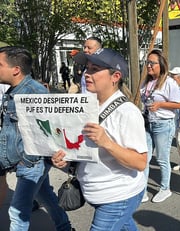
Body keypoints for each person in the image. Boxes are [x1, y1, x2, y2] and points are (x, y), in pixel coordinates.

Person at [54, 48, 148, 230]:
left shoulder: (127, 113)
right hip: (93, 191)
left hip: (118, 196)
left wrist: (106, 142)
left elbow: (140, 163)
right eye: (87, 68)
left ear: (115, 76)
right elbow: (84, 150)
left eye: (95, 69)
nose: (86, 74)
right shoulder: (86, 105)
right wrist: (64, 162)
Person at [0, 46, 73, 230]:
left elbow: (49, 131)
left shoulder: (35, 92)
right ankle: (64, 227)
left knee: (17, 212)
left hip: (31, 162)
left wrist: (28, 161)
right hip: (21, 160)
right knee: (45, 195)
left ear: (16, 69)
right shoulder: (12, 91)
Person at [140, 49, 180, 203]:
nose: (149, 65)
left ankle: (165, 188)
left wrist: (160, 104)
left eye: (152, 63)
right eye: (147, 62)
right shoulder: (146, 81)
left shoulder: (169, 82)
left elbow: (179, 104)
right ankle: (142, 190)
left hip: (163, 124)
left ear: (161, 65)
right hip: (147, 123)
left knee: (162, 159)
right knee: (144, 158)